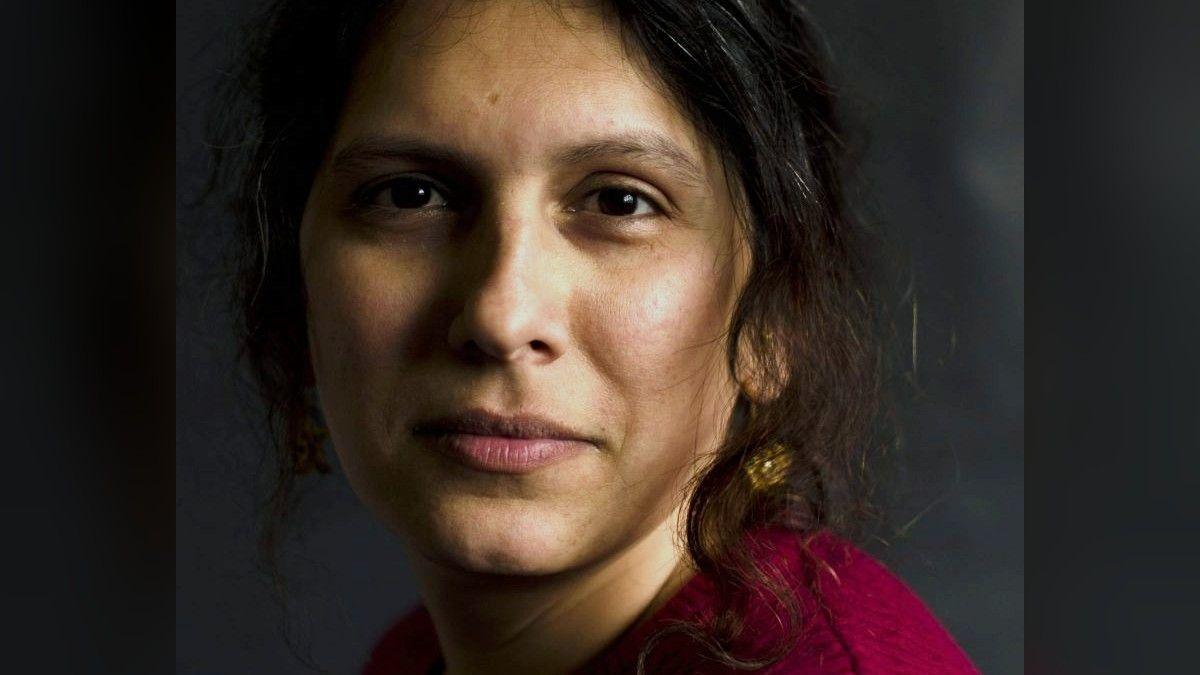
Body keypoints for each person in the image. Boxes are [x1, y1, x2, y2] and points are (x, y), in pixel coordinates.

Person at [213, 0, 981, 672]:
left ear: (773, 319)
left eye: (620, 202)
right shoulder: (418, 655)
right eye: (411, 195)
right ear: (294, 278)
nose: (501, 316)